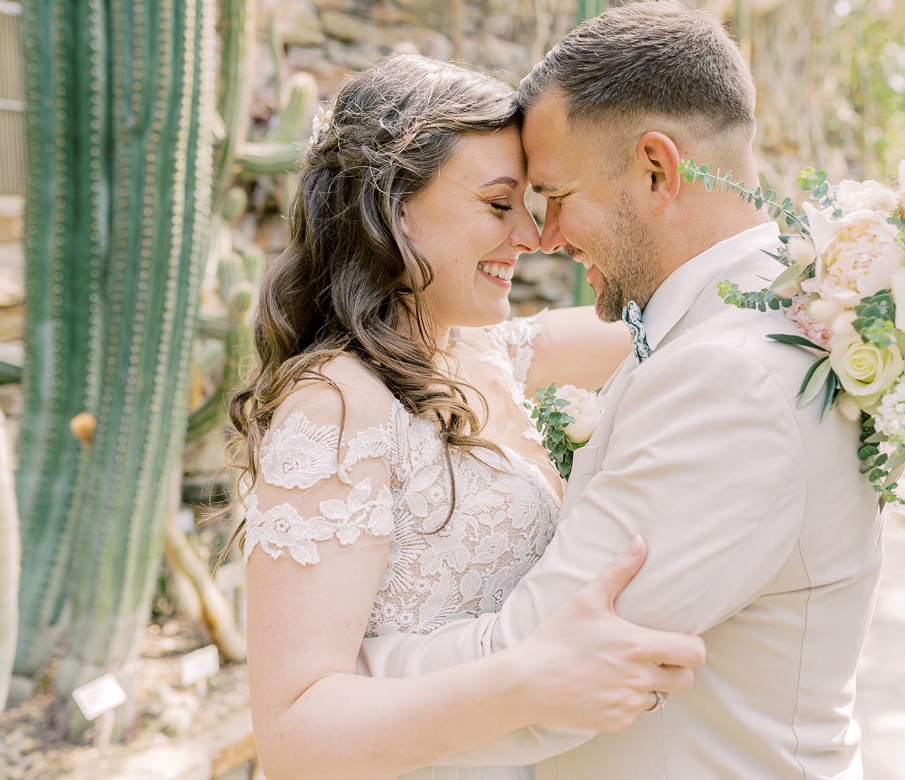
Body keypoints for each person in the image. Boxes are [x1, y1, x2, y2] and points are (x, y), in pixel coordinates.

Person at [357, 3, 885, 779]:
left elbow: (542, 667)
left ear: (656, 169)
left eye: (556, 196)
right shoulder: (761, 320)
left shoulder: (731, 378)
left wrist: (335, 682)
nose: (545, 235)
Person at [228, 54, 707, 780]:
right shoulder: (333, 405)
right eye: (497, 204)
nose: (534, 235)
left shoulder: (484, 352)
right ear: (393, 210)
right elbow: (294, 736)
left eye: (534, 203)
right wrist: (531, 682)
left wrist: (864, 272)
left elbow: (688, 316)